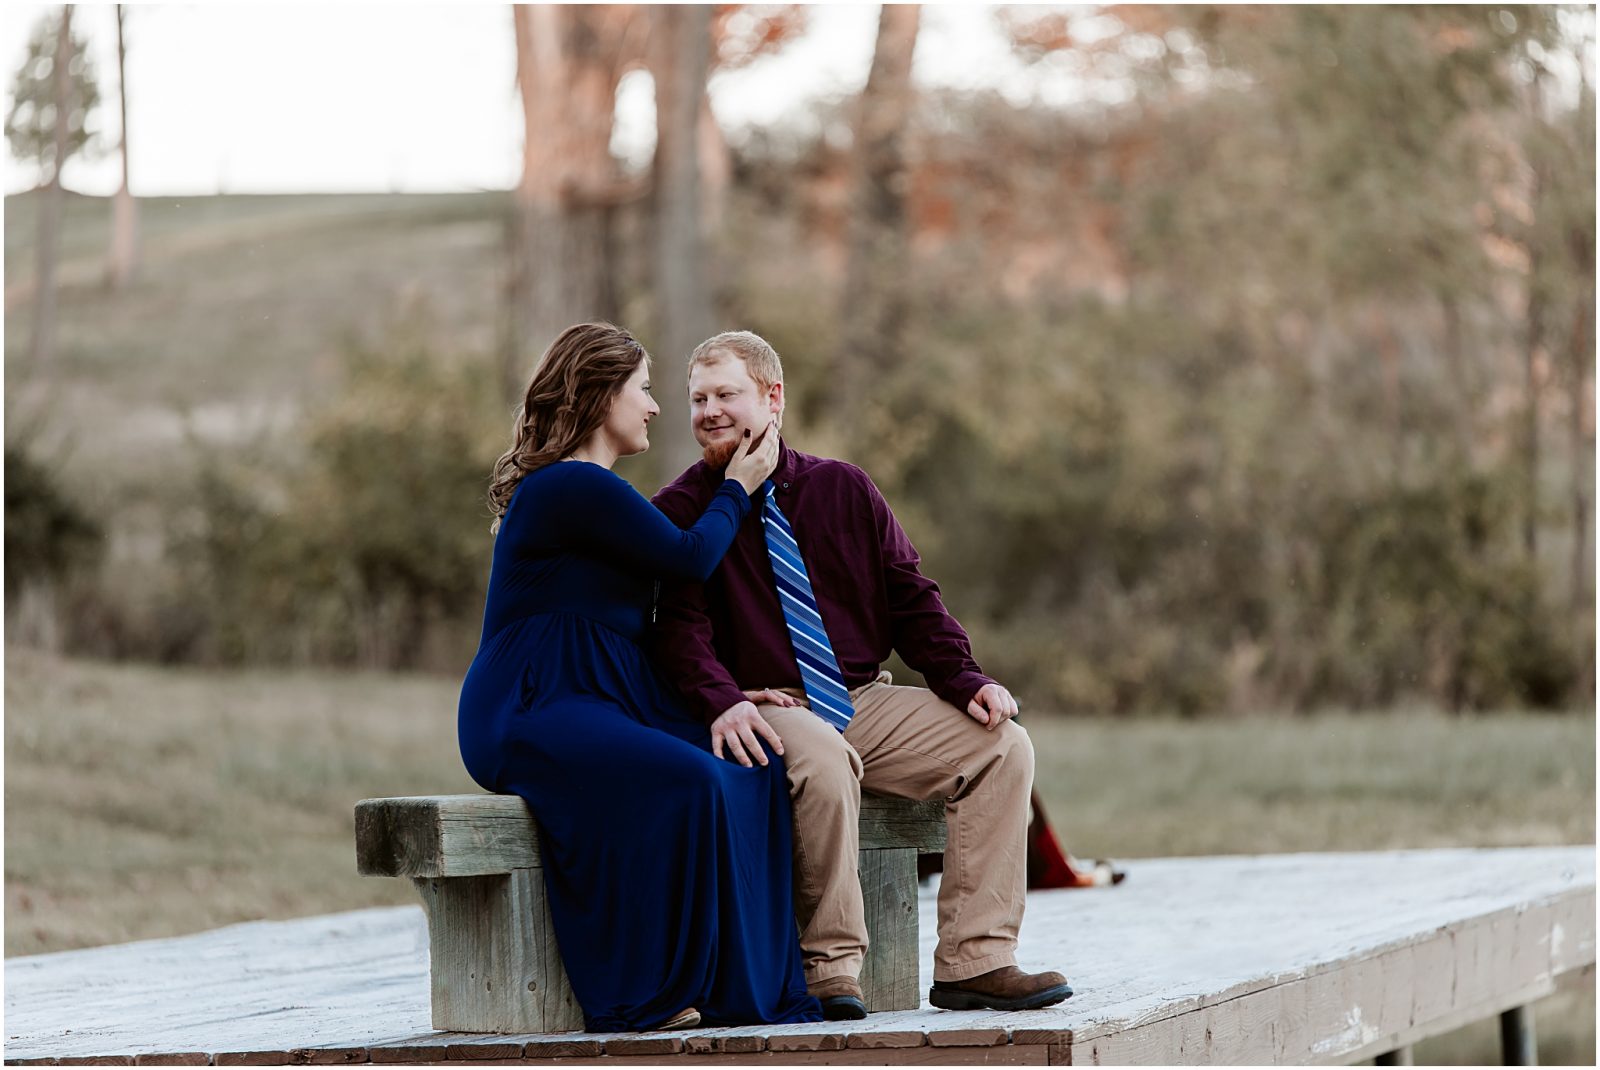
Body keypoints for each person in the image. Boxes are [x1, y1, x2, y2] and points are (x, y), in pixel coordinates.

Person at [651, 331, 1073, 1018]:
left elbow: (910, 597)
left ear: (772, 396)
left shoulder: (842, 489)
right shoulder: (681, 511)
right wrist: (723, 699)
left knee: (1004, 747)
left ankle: (976, 961)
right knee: (823, 760)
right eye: (697, 399)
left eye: (726, 394)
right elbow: (677, 631)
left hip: (859, 696)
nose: (709, 411)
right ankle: (830, 970)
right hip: (767, 705)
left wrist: (966, 680)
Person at [457, 322, 822, 1033]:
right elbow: (689, 557)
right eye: (645, 389)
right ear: (601, 398)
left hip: (606, 695)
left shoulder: (602, 495)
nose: (655, 407)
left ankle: (737, 991)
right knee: (685, 781)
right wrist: (738, 486)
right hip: (530, 705)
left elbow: (642, 631)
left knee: (747, 766)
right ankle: (640, 996)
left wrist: (720, 694)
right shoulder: (568, 486)